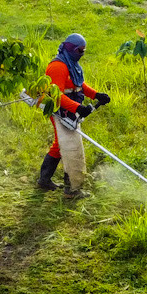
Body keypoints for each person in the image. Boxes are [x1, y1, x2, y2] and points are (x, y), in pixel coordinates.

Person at [40, 32, 106, 196]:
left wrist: (96, 95)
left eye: (84, 51)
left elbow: (78, 85)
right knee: (70, 146)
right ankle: (71, 189)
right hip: (60, 111)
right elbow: (57, 96)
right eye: (79, 51)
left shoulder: (71, 65)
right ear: (70, 49)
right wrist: (77, 108)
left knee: (60, 145)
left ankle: (44, 180)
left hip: (70, 111)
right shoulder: (58, 67)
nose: (82, 54)